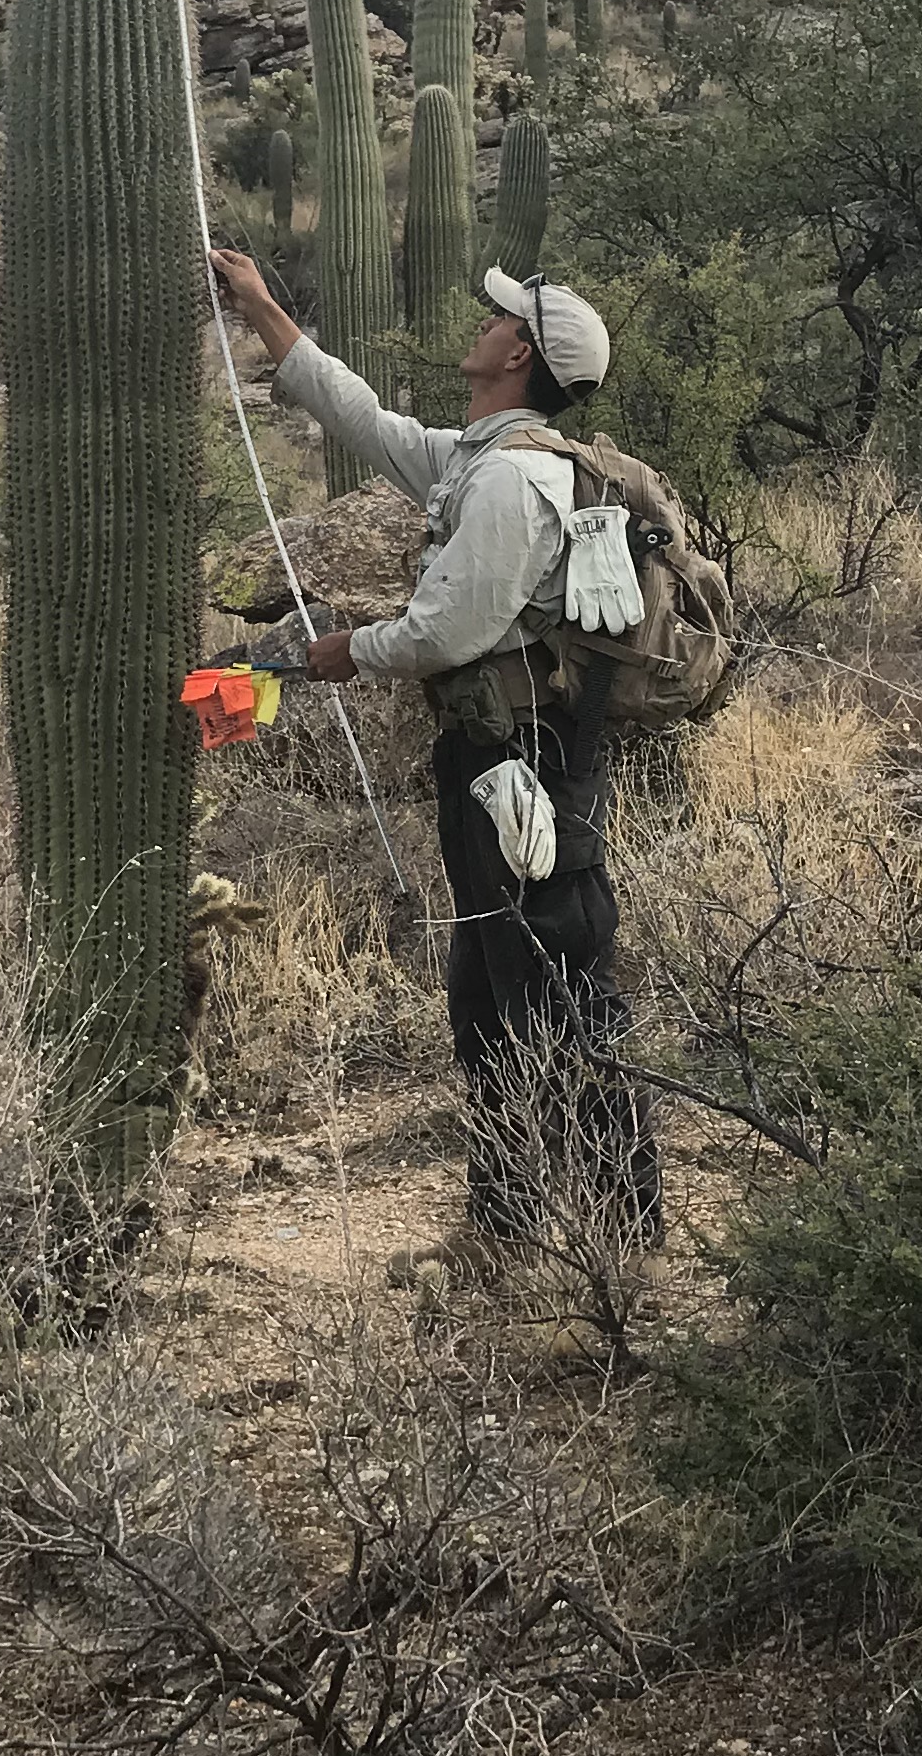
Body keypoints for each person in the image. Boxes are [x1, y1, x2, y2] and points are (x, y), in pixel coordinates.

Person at [206, 246, 663, 1260]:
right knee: (492, 989)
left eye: (501, 319)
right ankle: (508, 1226)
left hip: (524, 770)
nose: (485, 322)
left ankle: (621, 1233)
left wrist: (343, 653)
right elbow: (370, 423)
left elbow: (448, 630)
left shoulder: (512, 485)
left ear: (519, 356)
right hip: (493, 765)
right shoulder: (481, 460)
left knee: (552, 982)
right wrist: (268, 314)